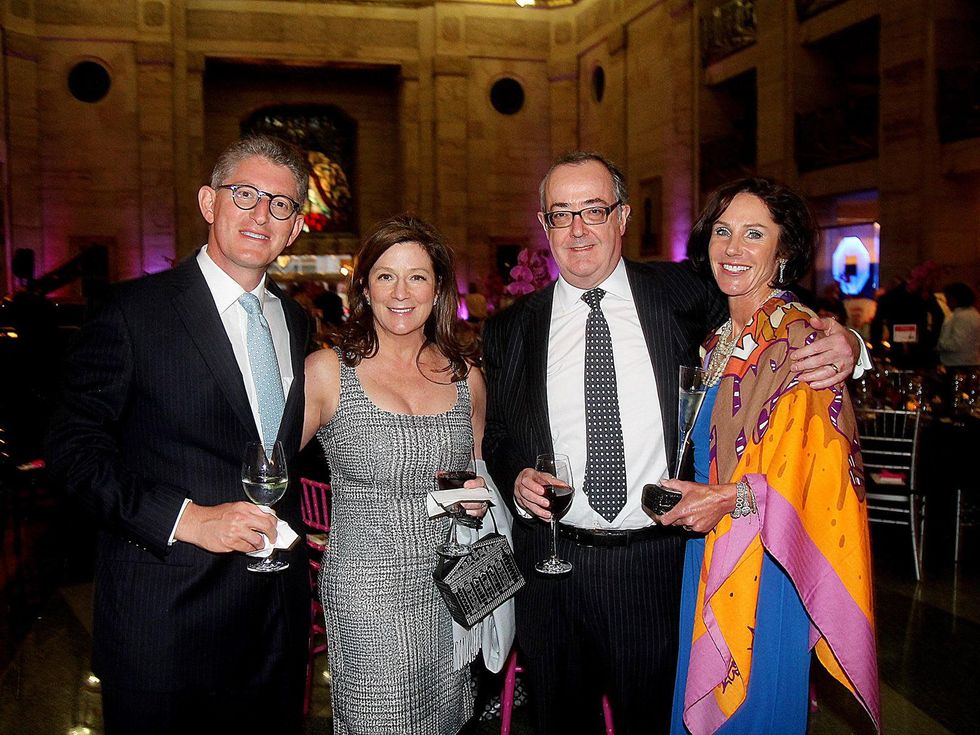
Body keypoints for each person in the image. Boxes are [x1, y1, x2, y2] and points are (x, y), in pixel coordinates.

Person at [481, 152, 865, 735]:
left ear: (623, 216)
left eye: (594, 210)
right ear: (544, 224)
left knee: (656, 720)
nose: (578, 229)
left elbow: (769, 307)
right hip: (552, 571)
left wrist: (851, 344)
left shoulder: (686, 292)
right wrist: (514, 475)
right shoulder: (510, 328)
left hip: (657, 566)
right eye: (562, 214)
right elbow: (499, 434)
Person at [45, 135, 311, 733]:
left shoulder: (295, 320)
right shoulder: (133, 312)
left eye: (281, 204)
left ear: (295, 229)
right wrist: (186, 519)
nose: (261, 215)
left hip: (273, 624)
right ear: (208, 202)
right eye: (245, 195)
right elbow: (73, 452)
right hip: (165, 620)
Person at [659, 178, 879, 734]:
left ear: (784, 250)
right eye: (723, 231)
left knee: (752, 712)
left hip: (768, 559)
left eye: (754, 234)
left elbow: (818, 474)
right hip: (705, 548)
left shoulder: (801, 339)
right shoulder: (715, 342)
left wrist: (853, 344)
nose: (733, 248)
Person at [303, 214, 513, 735]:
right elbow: (269, 466)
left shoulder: (466, 376)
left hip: (451, 590)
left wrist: (474, 497)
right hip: (366, 593)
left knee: (446, 719)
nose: (401, 292)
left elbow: (477, 473)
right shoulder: (328, 371)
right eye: (386, 276)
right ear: (364, 287)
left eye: (417, 277)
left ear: (437, 289)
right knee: (379, 720)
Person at [937, 282, 980, 367]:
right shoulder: (973, 314)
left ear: (955, 299)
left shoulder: (963, 317)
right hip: (967, 362)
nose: (947, 303)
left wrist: (939, 345)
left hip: (958, 364)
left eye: (948, 298)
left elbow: (956, 344)